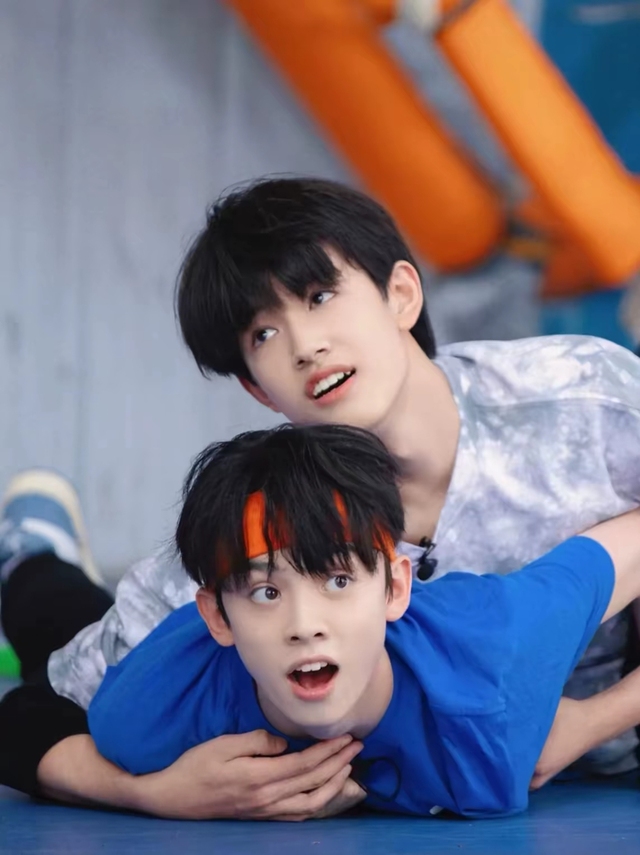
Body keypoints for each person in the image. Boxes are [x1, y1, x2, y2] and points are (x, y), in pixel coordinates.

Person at [1, 177, 640, 817]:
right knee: (77, 627)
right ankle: (28, 556)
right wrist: (154, 794)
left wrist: (592, 722)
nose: (306, 347)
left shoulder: (586, 404)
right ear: (258, 390)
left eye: (320, 296)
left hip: (605, 761)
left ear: (400, 294)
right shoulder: (257, 533)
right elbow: (33, 720)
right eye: (263, 335)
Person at [88, 423, 640, 819]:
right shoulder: (157, 706)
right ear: (218, 617)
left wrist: (591, 721)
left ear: (395, 588)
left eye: (338, 581)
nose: (305, 625)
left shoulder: (496, 655)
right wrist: (159, 795)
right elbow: (46, 742)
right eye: (266, 592)